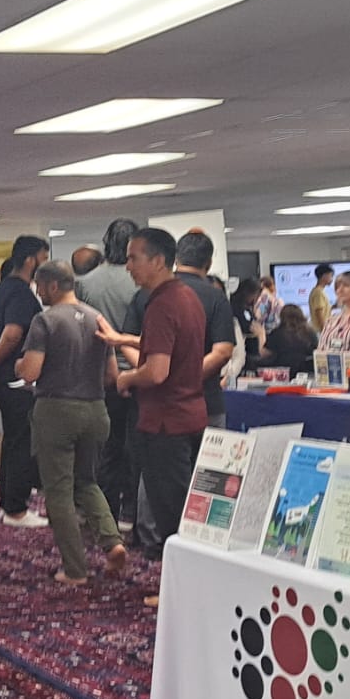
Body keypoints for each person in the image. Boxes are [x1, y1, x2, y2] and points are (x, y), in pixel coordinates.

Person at [16, 260, 127, 585]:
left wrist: (19, 365)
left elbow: (31, 372)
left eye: (40, 286)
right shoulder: (97, 317)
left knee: (59, 491)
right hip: (96, 409)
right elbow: (112, 375)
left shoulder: (45, 320)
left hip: (57, 410)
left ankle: (75, 569)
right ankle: (112, 541)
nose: (38, 292)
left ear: (52, 286)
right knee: (88, 482)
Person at [117, 228, 210, 551]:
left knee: (171, 513)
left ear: (158, 261)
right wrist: (126, 341)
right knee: (186, 510)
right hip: (191, 414)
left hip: (166, 422)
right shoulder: (187, 296)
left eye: (133, 258)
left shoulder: (161, 304)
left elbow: (157, 371)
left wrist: (127, 378)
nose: (128, 266)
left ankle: (179, 577)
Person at [0, 236, 52, 528]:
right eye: (43, 259)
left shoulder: (4, 289)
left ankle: (9, 502)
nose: (45, 266)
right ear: (29, 260)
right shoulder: (21, 293)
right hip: (14, 377)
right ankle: (16, 509)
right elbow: (13, 333)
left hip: (6, 376)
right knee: (23, 440)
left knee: (13, 439)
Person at [78, 219, 141, 525]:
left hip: (99, 376)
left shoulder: (86, 284)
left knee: (105, 448)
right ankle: (132, 511)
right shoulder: (141, 282)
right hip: (141, 372)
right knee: (136, 448)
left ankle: (104, 514)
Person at [169, 232, 236, 422]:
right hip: (205, 401)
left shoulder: (148, 292)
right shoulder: (216, 297)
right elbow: (222, 352)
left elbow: (130, 342)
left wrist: (161, 378)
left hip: (158, 404)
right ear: (209, 263)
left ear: (176, 259)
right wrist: (186, 378)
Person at [259, 305, 319, 372]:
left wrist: (260, 334)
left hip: (283, 372)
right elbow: (316, 351)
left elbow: (263, 353)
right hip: (306, 371)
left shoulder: (277, 333)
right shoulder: (310, 333)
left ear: (282, 317)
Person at [318, 271, 350, 359]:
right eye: (337, 287)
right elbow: (321, 348)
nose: (340, 290)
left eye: (346, 286)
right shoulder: (331, 320)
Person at [307, 263, 335, 333]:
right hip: (320, 331)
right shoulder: (318, 293)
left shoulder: (317, 291)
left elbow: (323, 311)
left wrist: (334, 306)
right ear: (324, 276)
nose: (332, 279)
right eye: (331, 276)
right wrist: (325, 332)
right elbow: (319, 315)